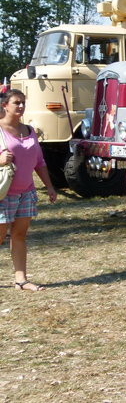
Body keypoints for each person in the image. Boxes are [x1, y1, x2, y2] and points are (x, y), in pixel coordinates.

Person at [0, 90, 57, 291]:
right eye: (17, 103)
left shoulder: (30, 130)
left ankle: (21, 280)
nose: (21, 106)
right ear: (5, 105)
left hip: (27, 192)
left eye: (23, 102)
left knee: (20, 235)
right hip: (3, 193)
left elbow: (39, 162)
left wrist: (49, 186)